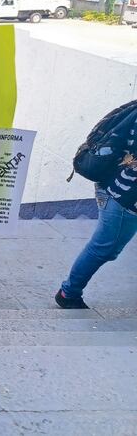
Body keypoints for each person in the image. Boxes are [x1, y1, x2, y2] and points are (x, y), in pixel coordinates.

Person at [56, 107, 137, 309]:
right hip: (122, 195)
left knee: (106, 247)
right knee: (105, 248)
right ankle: (68, 293)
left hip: (115, 186)